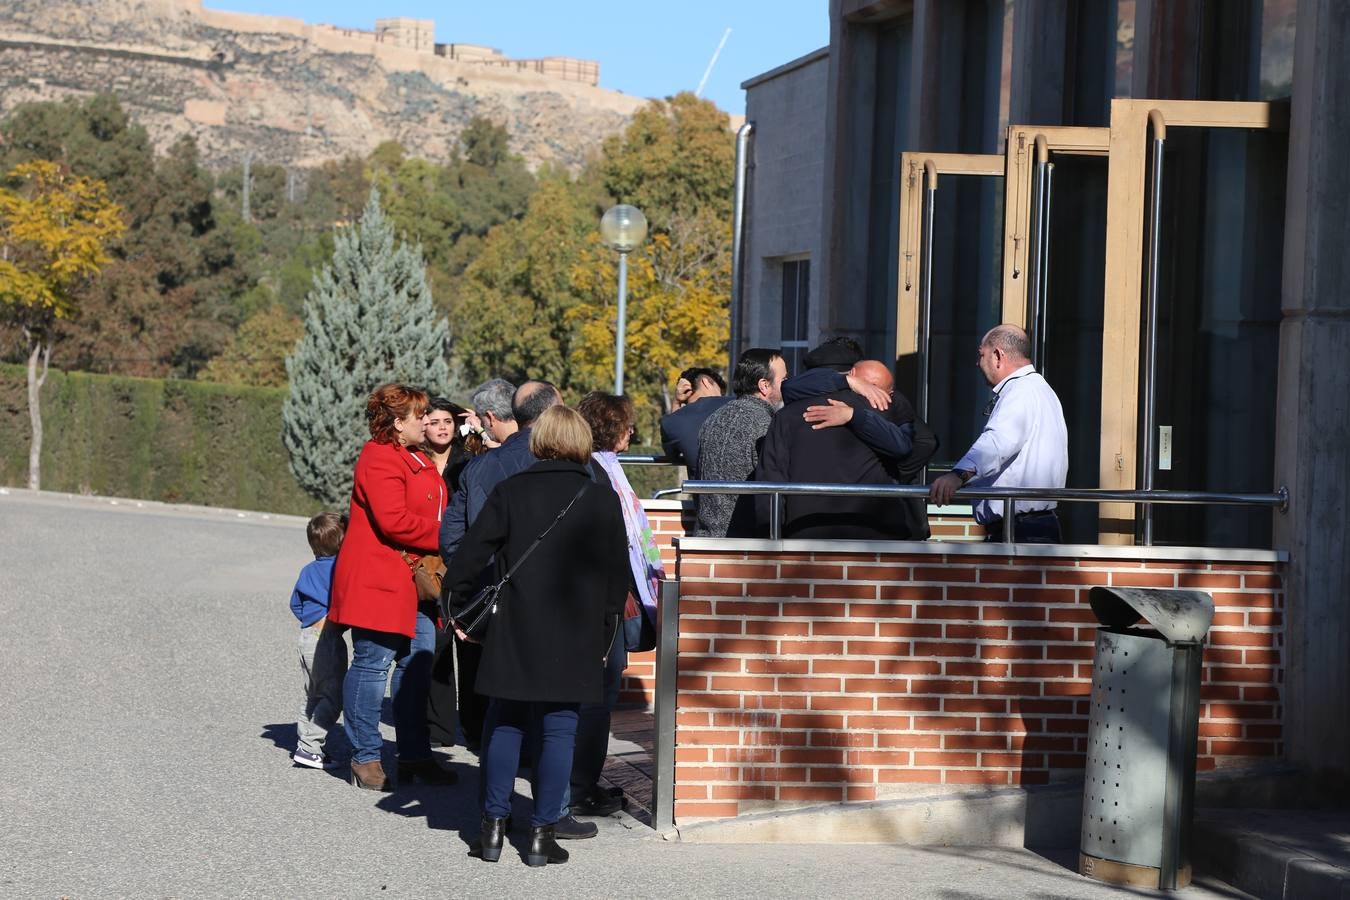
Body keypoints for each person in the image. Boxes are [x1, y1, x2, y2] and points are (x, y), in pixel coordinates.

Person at [445, 406, 630, 867]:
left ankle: (491, 828)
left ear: (540, 439)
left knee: (504, 723)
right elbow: (616, 578)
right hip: (575, 633)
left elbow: (467, 560)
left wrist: (459, 615)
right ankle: (543, 837)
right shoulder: (599, 498)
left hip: (513, 629)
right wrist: (604, 634)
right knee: (558, 732)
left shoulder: (511, 491)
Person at [328, 383, 457, 791]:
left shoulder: (414, 456)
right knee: (372, 665)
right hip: (379, 580)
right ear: (398, 424)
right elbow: (394, 521)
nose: (428, 420)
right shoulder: (379, 457)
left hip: (413, 584)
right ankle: (365, 757)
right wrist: (450, 535)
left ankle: (415, 754)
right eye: (420, 416)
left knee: (415, 665)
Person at [438, 379, 563, 766]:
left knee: (502, 700)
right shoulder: (565, 462)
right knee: (553, 703)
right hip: (556, 593)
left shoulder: (480, 468)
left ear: (490, 418)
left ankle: (495, 799)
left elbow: (453, 537)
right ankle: (549, 799)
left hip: (497, 590)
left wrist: (475, 580)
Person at [571, 392, 667, 818]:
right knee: (597, 694)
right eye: (627, 424)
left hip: (615, 591)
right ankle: (581, 787)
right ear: (610, 427)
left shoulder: (610, 469)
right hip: (604, 598)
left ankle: (582, 782)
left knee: (602, 693)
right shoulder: (594, 471)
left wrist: (650, 575)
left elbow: (636, 532)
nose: (632, 431)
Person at [755, 353, 938, 539]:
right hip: (873, 532)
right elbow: (915, 444)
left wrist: (771, 538)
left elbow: (771, 479)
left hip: (805, 531)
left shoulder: (787, 415)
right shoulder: (885, 409)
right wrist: (895, 476)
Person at [929, 324, 1068, 543]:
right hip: (1030, 526)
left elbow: (996, 443)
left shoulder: (1021, 391)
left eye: (981, 355)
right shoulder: (1038, 389)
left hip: (1020, 530)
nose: (977, 363)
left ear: (997, 356)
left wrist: (958, 475)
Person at [421, 397, 487, 748]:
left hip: (464, 563)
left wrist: (478, 429)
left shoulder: (470, 461)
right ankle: (439, 728)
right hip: (429, 567)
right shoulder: (415, 463)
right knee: (437, 646)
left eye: (448, 420)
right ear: (423, 426)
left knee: (472, 646)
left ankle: (475, 728)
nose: (442, 427)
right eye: (434, 421)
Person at [693, 349, 788, 537]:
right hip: (743, 546)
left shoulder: (714, 418)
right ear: (764, 386)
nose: (787, 385)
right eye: (784, 380)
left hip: (706, 539)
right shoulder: (766, 425)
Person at [289, 511, 349, 770]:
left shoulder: (308, 570)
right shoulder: (339, 569)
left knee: (312, 693)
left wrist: (310, 620)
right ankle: (311, 746)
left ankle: (305, 744)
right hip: (327, 640)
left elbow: (295, 604)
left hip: (306, 637)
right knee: (334, 697)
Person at [658, 366, 729, 476]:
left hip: (705, 492)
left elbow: (672, 456)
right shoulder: (742, 404)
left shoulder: (673, 422)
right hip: (752, 488)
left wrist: (676, 402)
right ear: (705, 382)